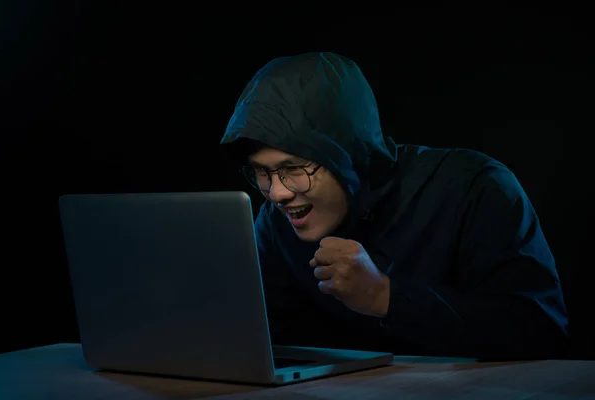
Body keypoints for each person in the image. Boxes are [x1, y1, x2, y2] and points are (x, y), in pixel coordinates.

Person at [219, 52, 569, 360]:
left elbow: (542, 330)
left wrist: (387, 297)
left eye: (294, 168)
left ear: (347, 155)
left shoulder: (474, 186)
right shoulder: (275, 223)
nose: (277, 193)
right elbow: (266, 340)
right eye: (263, 172)